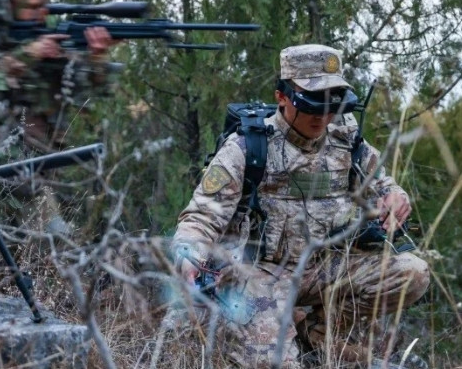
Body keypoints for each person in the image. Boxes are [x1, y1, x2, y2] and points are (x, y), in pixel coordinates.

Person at [171, 44, 430, 368]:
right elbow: (201, 216)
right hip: (260, 274)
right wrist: (190, 255)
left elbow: (382, 182)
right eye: (311, 102)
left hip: (323, 267)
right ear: (282, 97)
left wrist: (395, 196)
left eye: (331, 101)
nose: (322, 115)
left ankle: (319, 337)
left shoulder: (345, 139)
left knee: (412, 272)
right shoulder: (249, 146)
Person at [0, 0, 115, 234]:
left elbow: (89, 90)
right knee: (53, 239)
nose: (39, 13)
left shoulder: (54, 42)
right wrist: (30, 53)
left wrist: (97, 57)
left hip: (50, 163)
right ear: (7, 7)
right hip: (1, 164)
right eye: (29, 6)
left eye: (43, 5)